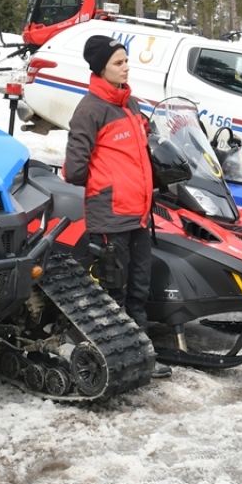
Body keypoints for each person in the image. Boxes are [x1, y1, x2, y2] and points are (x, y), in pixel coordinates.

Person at [64, 34, 170, 378]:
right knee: (115, 292)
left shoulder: (131, 103)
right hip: (110, 217)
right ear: (101, 68)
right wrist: (108, 184)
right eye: (118, 62)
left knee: (139, 289)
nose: (126, 67)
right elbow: (75, 170)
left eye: (126, 61)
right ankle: (120, 361)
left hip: (138, 214)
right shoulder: (90, 110)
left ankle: (142, 356)